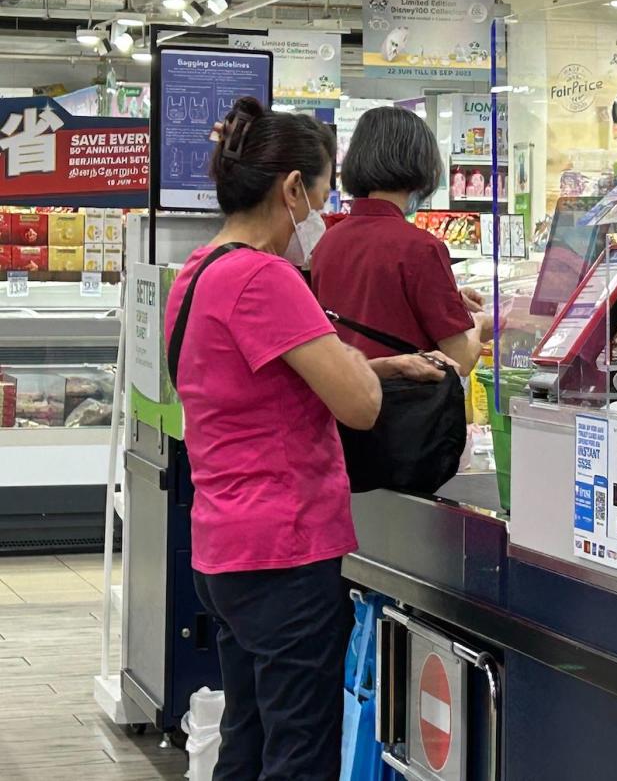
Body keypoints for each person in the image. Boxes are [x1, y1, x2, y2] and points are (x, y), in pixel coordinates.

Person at [165, 97, 390, 781]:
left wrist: (369, 361)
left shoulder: (198, 272)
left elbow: (258, 380)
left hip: (226, 547)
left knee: (251, 737)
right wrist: (364, 369)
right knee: (300, 751)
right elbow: (360, 406)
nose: (325, 213)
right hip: (286, 550)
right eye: (325, 193)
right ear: (293, 189)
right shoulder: (267, 276)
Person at [312, 106, 491, 375]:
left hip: (344, 404)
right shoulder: (420, 247)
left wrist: (451, 301)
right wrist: (480, 324)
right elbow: (461, 358)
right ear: (421, 162)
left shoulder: (328, 241)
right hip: (408, 408)